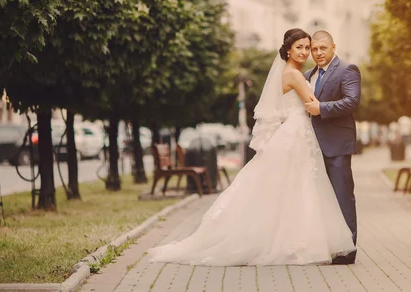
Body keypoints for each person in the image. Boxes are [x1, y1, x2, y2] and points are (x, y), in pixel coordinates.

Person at [147, 28, 355, 266]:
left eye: (308, 48)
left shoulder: (290, 73)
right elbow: (313, 104)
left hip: (293, 132)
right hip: (296, 134)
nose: (306, 52)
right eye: (301, 47)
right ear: (288, 49)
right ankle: (294, 243)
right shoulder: (296, 76)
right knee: (299, 187)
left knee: (290, 190)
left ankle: (290, 239)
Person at [304, 30, 361, 265]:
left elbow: (352, 101)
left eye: (322, 48)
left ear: (333, 47)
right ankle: (327, 246)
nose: (318, 53)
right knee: (320, 199)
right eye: (314, 49)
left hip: (337, 145)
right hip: (312, 146)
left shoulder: (348, 70)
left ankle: (347, 250)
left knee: (342, 197)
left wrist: (322, 109)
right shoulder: (308, 74)